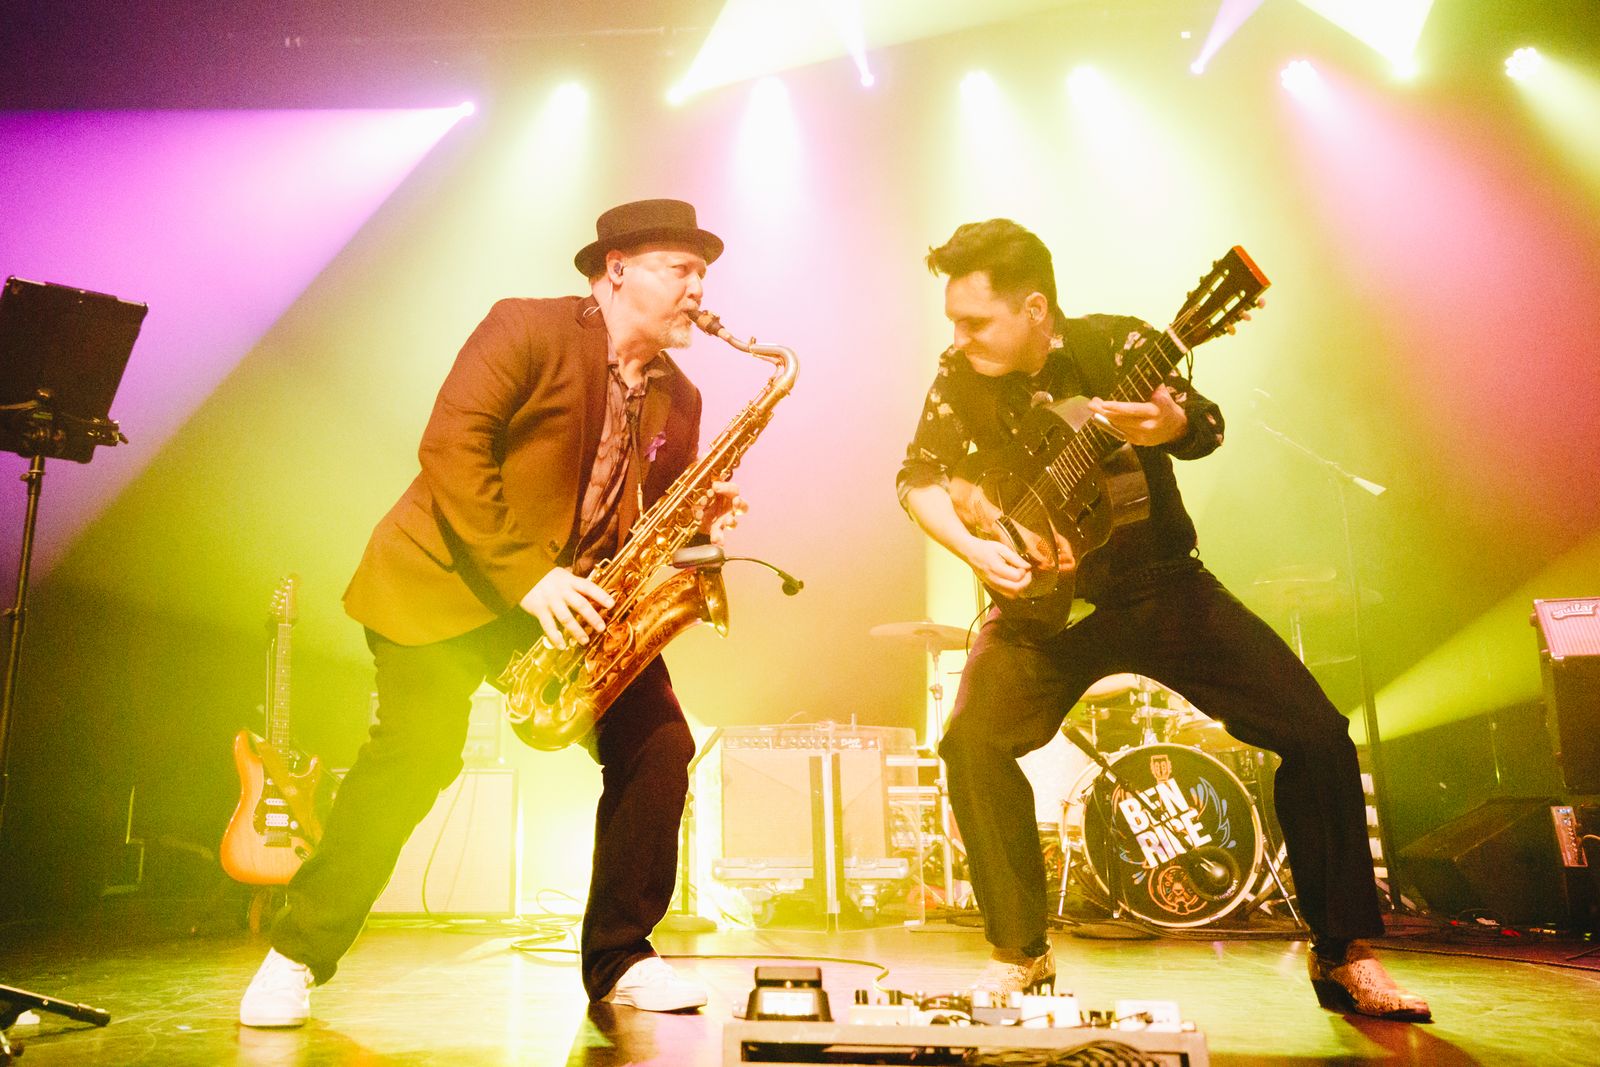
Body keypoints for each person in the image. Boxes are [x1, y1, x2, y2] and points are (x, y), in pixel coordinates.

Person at [897, 218, 1430, 1021]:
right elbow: (916, 478)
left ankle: (1344, 951)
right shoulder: (959, 376)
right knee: (970, 743)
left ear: (1035, 308)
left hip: (1160, 586)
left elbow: (1206, 424)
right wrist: (975, 546)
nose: (959, 337)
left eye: (975, 321)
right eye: (954, 321)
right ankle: (1021, 954)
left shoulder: (1120, 345)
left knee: (1318, 733)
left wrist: (1172, 425)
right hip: (1043, 604)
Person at [239, 198, 747, 1027]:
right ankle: (296, 952)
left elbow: (647, 526)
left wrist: (701, 527)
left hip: (565, 606)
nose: (698, 288)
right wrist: (529, 577)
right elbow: (452, 448)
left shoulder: (680, 397)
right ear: (617, 268)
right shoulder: (524, 328)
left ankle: (621, 955)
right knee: (415, 755)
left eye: (703, 274)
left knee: (660, 743)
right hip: (446, 582)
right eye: (680, 268)